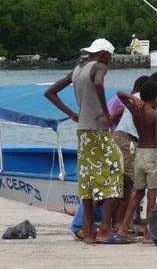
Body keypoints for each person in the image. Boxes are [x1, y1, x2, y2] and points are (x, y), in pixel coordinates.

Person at [44, 38, 141, 244]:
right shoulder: (99, 66)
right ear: (104, 54)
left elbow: (50, 92)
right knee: (117, 176)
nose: (109, 62)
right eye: (110, 58)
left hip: (83, 132)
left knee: (87, 181)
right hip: (98, 131)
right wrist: (106, 112)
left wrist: (72, 113)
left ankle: (89, 233)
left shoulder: (77, 69)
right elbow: (98, 82)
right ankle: (105, 229)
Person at [117, 80, 157, 243]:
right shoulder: (156, 114)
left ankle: (122, 229)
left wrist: (133, 98)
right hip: (153, 156)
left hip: (139, 154)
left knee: (138, 193)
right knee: (152, 194)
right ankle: (148, 233)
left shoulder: (136, 110)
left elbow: (120, 94)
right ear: (156, 98)